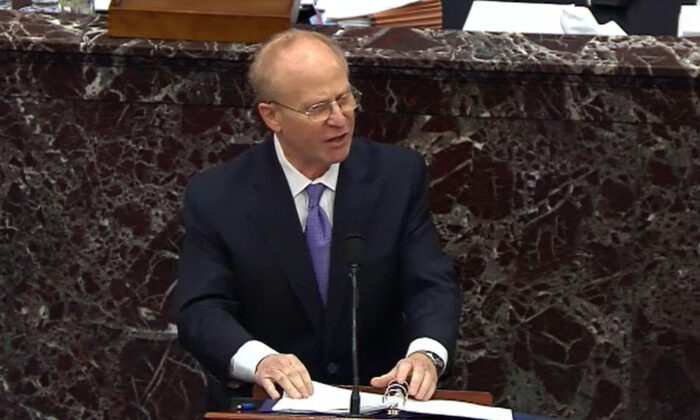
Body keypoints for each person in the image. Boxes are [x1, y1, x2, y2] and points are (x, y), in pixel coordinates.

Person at [173, 29, 461, 411]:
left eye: (345, 98)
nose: (339, 119)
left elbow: (431, 284)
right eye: (317, 108)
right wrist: (260, 361)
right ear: (271, 116)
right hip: (269, 404)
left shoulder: (397, 177)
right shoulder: (218, 197)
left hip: (380, 397)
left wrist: (425, 356)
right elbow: (200, 308)